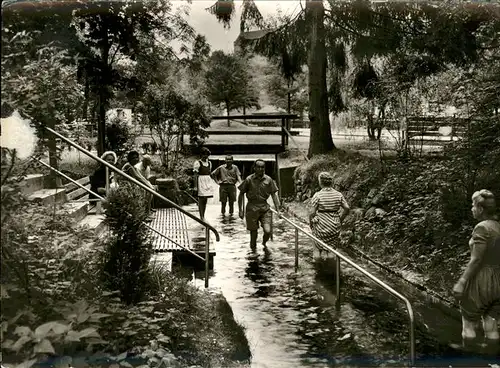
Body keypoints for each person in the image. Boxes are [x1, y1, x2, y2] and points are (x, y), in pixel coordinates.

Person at [452, 189, 500, 354]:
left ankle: (469, 358)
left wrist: (462, 281)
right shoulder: (497, 226)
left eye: (473, 205)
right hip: (498, 280)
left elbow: (476, 259)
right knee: (491, 322)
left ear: (480, 209)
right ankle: (492, 359)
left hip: (481, 279)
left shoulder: (481, 227)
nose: (471, 209)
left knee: (468, 322)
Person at [238, 159, 281, 248]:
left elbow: (274, 195)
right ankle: (253, 254)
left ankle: (264, 243)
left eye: (262, 167)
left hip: (264, 208)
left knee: (267, 230)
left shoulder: (268, 180)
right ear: (254, 168)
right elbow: (241, 194)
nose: (261, 169)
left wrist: (278, 210)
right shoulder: (249, 179)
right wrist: (240, 210)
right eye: (258, 167)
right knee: (253, 234)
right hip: (251, 208)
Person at [308, 172, 350, 260]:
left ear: (320, 182)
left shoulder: (318, 195)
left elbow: (312, 213)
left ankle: (319, 269)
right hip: (334, 226)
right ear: (331, 182)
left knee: (317, 250)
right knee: (331, 251)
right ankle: (331, 269)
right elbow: (347, 208)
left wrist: (311, 223)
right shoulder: (338, 194)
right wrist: (340, 219)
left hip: (321, 225)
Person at [193, 147, 214, 220]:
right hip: (201, 181)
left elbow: (210, 173)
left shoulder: (209, 163)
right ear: (201, 155)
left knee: (205, 199)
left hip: (207, 181)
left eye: (207, 155)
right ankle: (201, 216)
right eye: (204, 154)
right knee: (201, 199)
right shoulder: (198, 163)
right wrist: (195, 186)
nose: (206, 156)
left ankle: (203, 215)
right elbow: (195, 175)